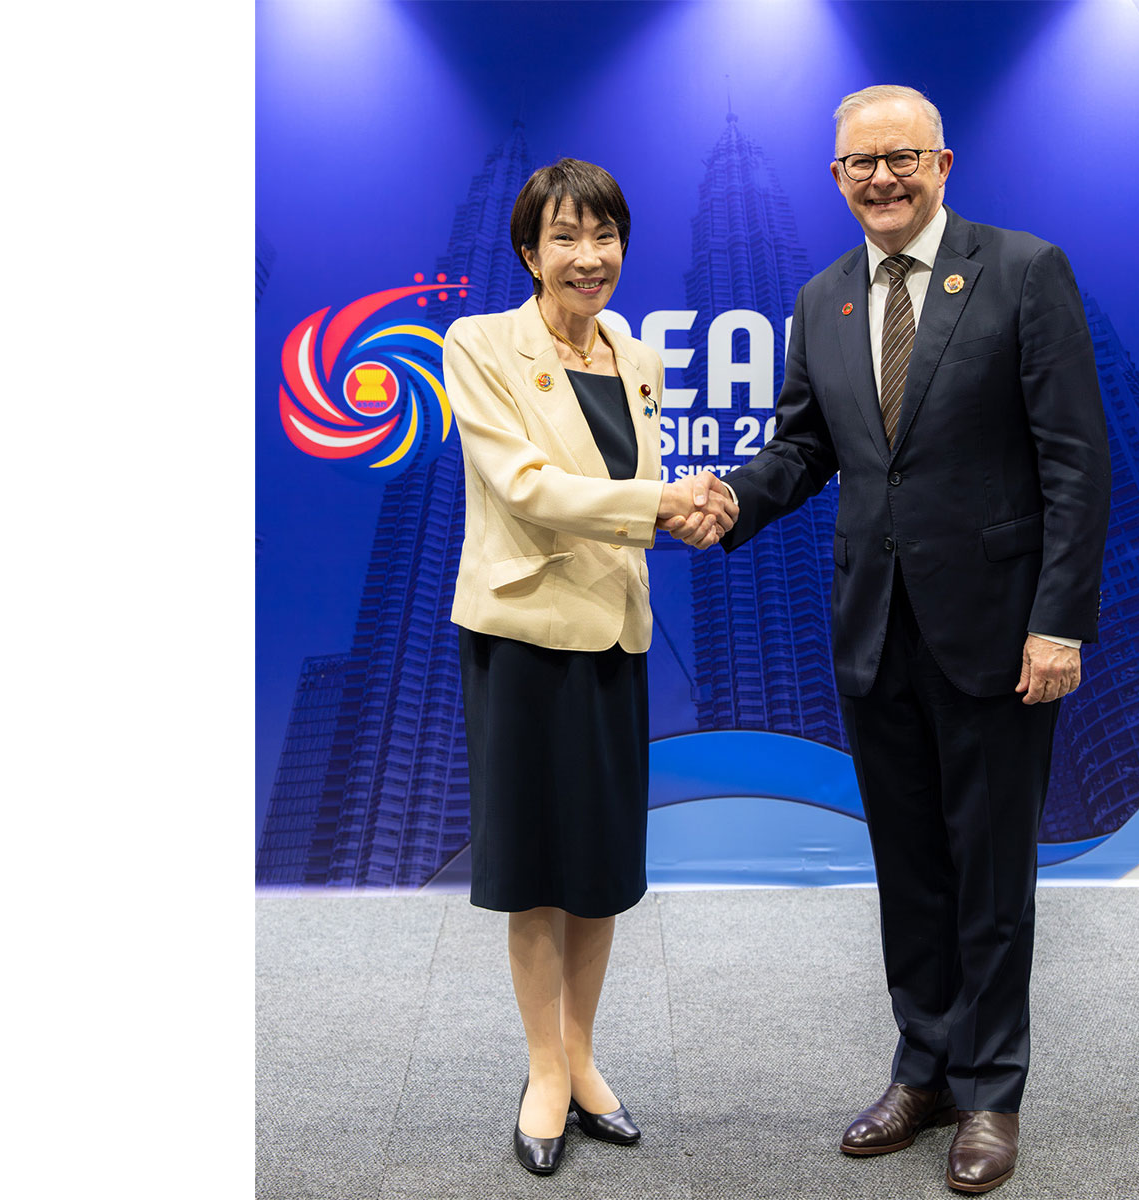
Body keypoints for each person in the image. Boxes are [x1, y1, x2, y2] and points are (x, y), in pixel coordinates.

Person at [669, 85, 1110, 1193]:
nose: (881, 178)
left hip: (1000, 633)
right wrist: (732, 499)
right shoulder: (819, 298)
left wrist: (1058, 622)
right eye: (860, 163)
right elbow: (803, 449)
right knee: (910, 869)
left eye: (901, 157)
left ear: (941, 163)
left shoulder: (1023, 271)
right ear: (835, 179)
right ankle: (924, 1069)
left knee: (990, 874)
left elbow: (1074, 461)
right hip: (873, 630)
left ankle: (991, 1091)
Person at [442, 158, 735, 1176]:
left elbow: (633, 497)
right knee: (534, 867)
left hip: (614, 632)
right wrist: (660, 504)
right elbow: (525, 486)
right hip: (524, 634)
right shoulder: (480, 344)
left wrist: (688, 510)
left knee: (601, 869)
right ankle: (542, 1069)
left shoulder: (637, 355)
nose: (588, 256)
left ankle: (581, 1056)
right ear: (530, 252)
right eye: (564, 236)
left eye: (604, 235)